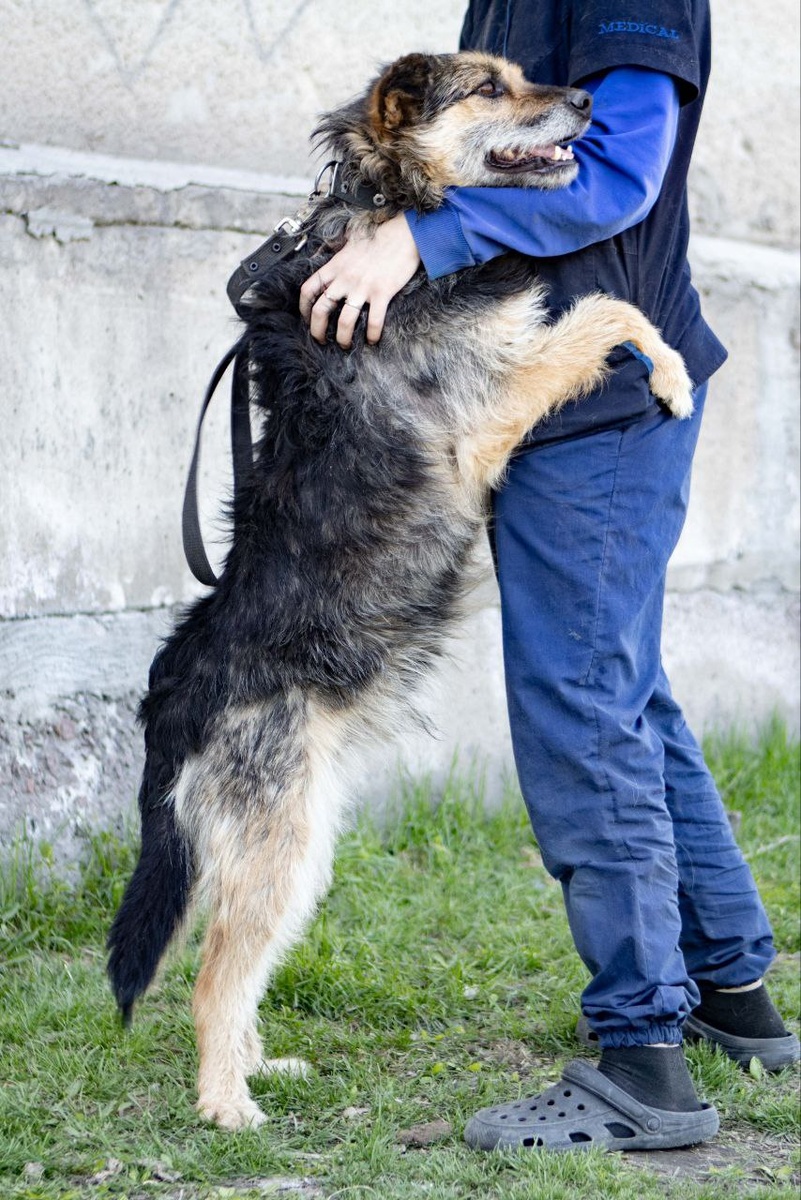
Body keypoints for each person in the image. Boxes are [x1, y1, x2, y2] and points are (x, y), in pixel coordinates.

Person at [299, 0, 800, 1152]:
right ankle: (733, 996)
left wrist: (418, 243)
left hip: (603, 403)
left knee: (579, 707)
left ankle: (644, 1068)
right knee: (622, 691)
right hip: (544, 396)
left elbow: (620, 170)